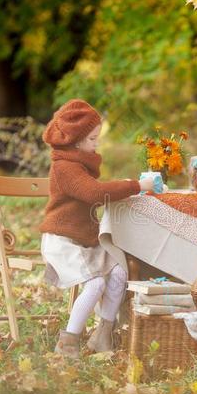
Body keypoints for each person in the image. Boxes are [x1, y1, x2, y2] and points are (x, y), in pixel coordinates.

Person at [39, 99, 154, 358]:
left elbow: (96, 191)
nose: (97, 144)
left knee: (118, 273)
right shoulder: (64, 167)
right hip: (62, 241)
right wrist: (135, 185)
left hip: (83, 239)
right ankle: (67, 342)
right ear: (76, 140)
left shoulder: (80, 164)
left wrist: (127, 185)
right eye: (92, 139)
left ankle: (103, 334)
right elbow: (94, 193)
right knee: (95, 284)